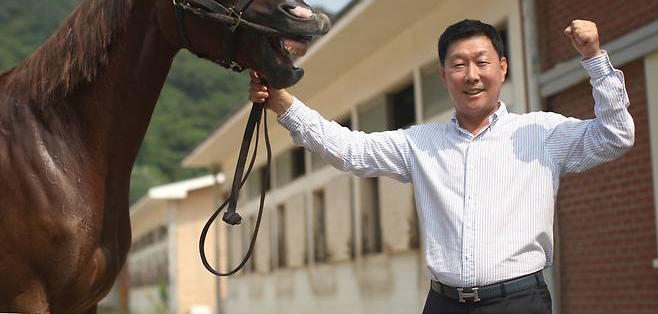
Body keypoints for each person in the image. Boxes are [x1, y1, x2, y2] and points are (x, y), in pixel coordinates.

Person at [249, 19, 634, 314]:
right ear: (444, 76)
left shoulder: (542, 131)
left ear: (502, 68)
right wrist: (282, 102)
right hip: (443, 304)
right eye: (458, 65)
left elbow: (616, 136)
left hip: (518, 303)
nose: (471, 75)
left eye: (481, 62)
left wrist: (595, 59)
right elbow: (352, 150)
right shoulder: (421, 143)